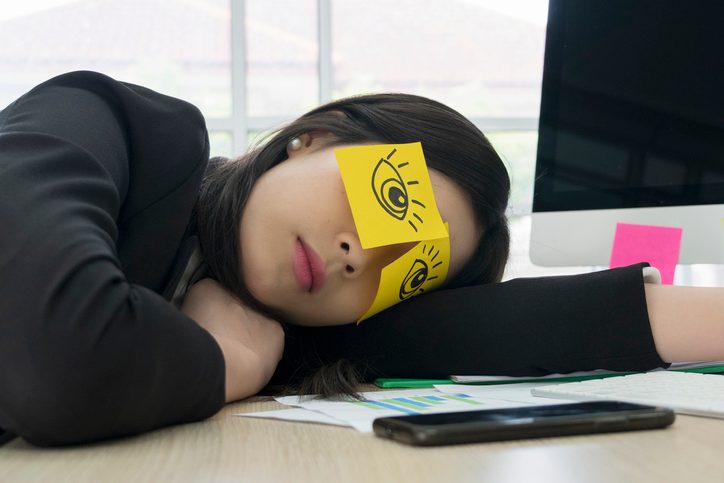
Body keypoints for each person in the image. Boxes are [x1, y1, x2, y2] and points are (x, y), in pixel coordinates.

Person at [0, 71, 721, 447]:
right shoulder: (118, 126)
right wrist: (221, 357)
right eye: (385, 203)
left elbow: (531, 324)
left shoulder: (313, 332)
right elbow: (57, 361)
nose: (360, 255)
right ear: (313, 137)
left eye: (403, 269)